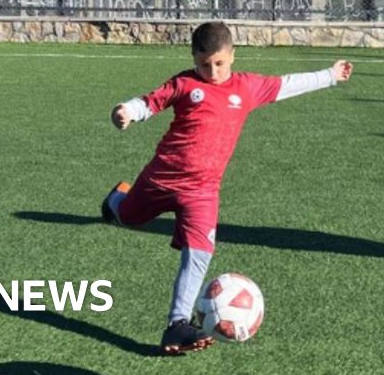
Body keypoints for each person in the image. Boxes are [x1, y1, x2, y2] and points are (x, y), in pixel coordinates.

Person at [101, 21, 353, 352]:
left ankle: (177, 325)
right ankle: (116, 200)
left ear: (232, 56)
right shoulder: (186, 83)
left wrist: (329, 76)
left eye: (219, 63)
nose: (213, 71)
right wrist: (126, 111)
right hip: (161, 178)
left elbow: (286, 84)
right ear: (194, 58)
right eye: (205, 64)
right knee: (129, 217)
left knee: (200, 253)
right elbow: (151, 102)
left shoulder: (245, 87)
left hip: (203, 191)